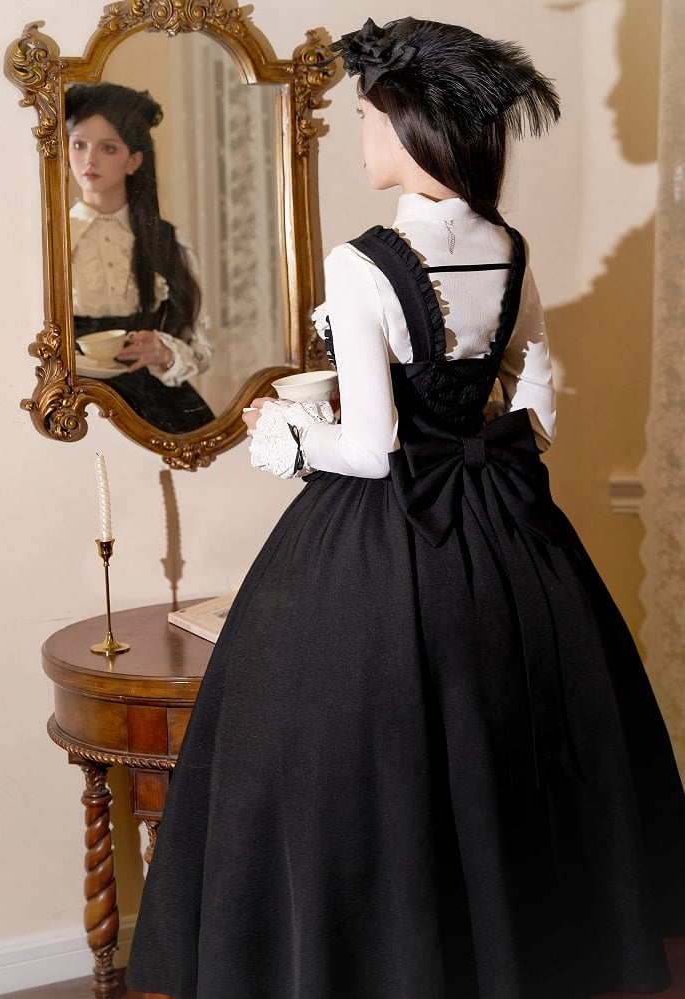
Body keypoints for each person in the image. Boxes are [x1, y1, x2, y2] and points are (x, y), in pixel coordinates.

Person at [126, 18, 685, 999]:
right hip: (511, 539)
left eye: (366, 114)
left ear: (410, 123)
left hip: (381, 543)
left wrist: (285, 434)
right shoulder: (508, 247)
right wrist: (477, 439)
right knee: (509, 759)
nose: (360, 132)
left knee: (338, 757)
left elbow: (372, 447)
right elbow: (538, 407)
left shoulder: (364, 263)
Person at [65, 82, 215, 434]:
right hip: (74, 405)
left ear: (133, 160)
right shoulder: (54, 238)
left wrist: (164, 352)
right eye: (79, 144)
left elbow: (201, 348)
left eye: (108, 148)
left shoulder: (165, 240)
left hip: (150, 403)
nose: (89, 159)